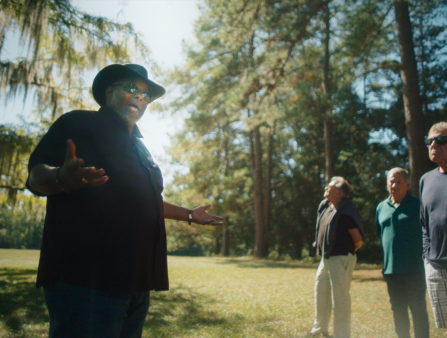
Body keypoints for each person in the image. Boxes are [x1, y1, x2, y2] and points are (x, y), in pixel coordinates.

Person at [26, 63, 226, 338]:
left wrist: (189, 215)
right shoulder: (78, 123)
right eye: (132, 88)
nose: (139, 97)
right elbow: (35, 175)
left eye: (146, 94)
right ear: (109, 91)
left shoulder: (141, 147)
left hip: (136, 283)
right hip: (85, 283)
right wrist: (62, 178)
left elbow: (147, 202)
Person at [376, 167, 429, 338]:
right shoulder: (381, 208)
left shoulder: (418, 205)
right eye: (391, 181)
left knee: (418, 311)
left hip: (415, 270)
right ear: (387, 184)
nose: (395, 185)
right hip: (391, 272)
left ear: (407, 185)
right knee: (398, 312)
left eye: (399, 182)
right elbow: (382, 234)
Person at [308, 177, 363, 338]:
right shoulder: (326, 207)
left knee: (340, 298)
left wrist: (346, 256)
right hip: (326, 258)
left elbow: (358, 239)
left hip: (341, 258)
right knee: (320, 292)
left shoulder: (347, 211)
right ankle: (319, 329)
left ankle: (341, 334)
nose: (326, 188)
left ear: (338, 192)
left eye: (330, 186)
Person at [420, 121, 447, 329]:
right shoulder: (425, 180)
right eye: (430, 141)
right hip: (435, 267)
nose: (433, 145)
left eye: (441, 140)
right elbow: (424, 224)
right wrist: (427, 257)